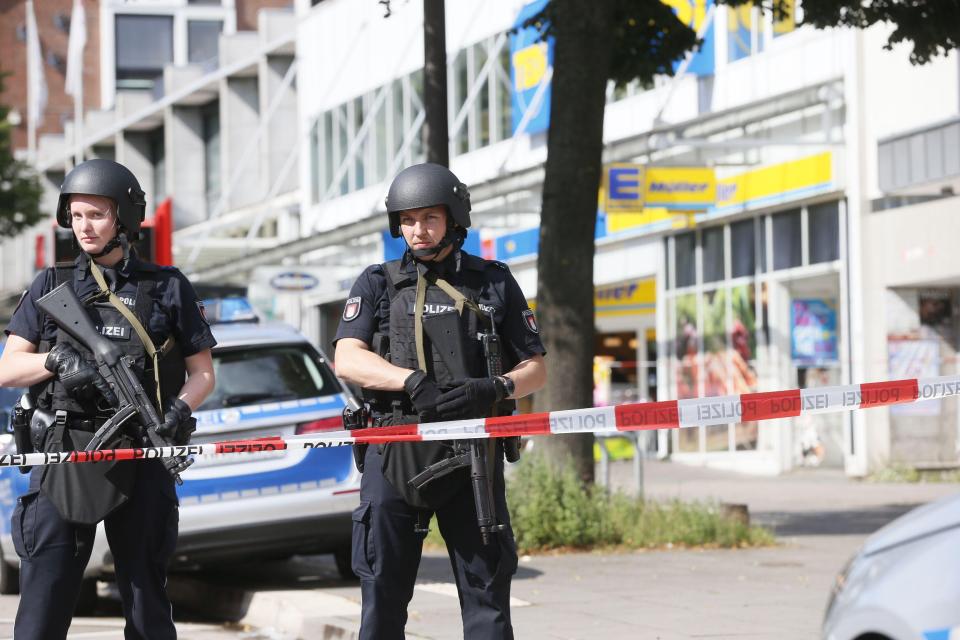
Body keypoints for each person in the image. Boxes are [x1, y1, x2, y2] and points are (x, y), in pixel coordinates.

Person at [0, 158, 216, 639]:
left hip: (141, 449)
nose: (84, 227)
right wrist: (55, 362)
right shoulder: (51, 286)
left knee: (147, 607)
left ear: (124, 217)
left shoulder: (165, 287)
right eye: (75, 216)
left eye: (96, 214)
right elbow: (8, 368)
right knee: (42, 608)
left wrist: (179, 409)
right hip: (66, 453)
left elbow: (203, 374)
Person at [334, 163, 547, 640]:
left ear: (453, 219)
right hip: (395, 448)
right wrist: (409, 381)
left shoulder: (492, 282)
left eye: (428, 218)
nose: (417, 230)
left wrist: (496, 388)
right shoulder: (377, 282)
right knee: (382, 598)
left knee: (487, 600)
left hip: (473, 453)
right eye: (407, 220)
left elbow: (536, 367)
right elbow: (347, 359)